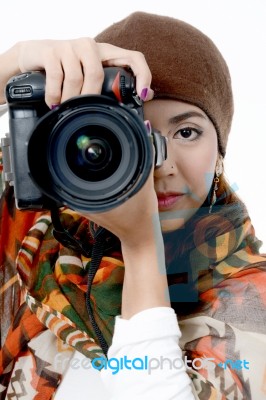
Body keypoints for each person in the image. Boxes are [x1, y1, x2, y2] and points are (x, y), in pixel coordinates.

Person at [0, 11, 266, 400]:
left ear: (221, 149)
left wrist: (142, 249)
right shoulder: (34, 243)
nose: (160, 163)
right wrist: (16, 61)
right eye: (130, 133)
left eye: (186, 131)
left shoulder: (253, 303)